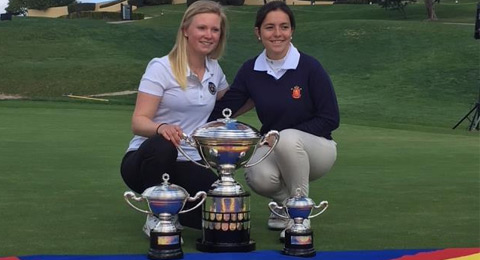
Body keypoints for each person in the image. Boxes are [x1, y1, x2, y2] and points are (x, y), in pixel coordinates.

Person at [209, 0, 339, 241]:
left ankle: (299, 218)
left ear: (292, 31)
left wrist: (278, 136)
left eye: (284, 27)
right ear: (258, 33)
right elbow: (226, 109)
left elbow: (330, 118)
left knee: (287, 138)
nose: (277, 34)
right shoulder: (251, 70)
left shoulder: (310, 67)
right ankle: (286, 207)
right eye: (269, 27)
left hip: (318, 150)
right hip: (273, 147)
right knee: (257, 175)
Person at [121, 0, 229, 236]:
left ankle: (175, 213)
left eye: (215, 29)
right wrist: (161, 128)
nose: (208, 35)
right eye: (202, 28)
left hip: (188, 162)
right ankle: (157, 215)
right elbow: (138, 122)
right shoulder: (161, 68)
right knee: (164, 145)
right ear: (185, 31)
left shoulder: (215, 70)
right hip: (146, 161)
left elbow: (230, 101)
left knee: (221, 215)